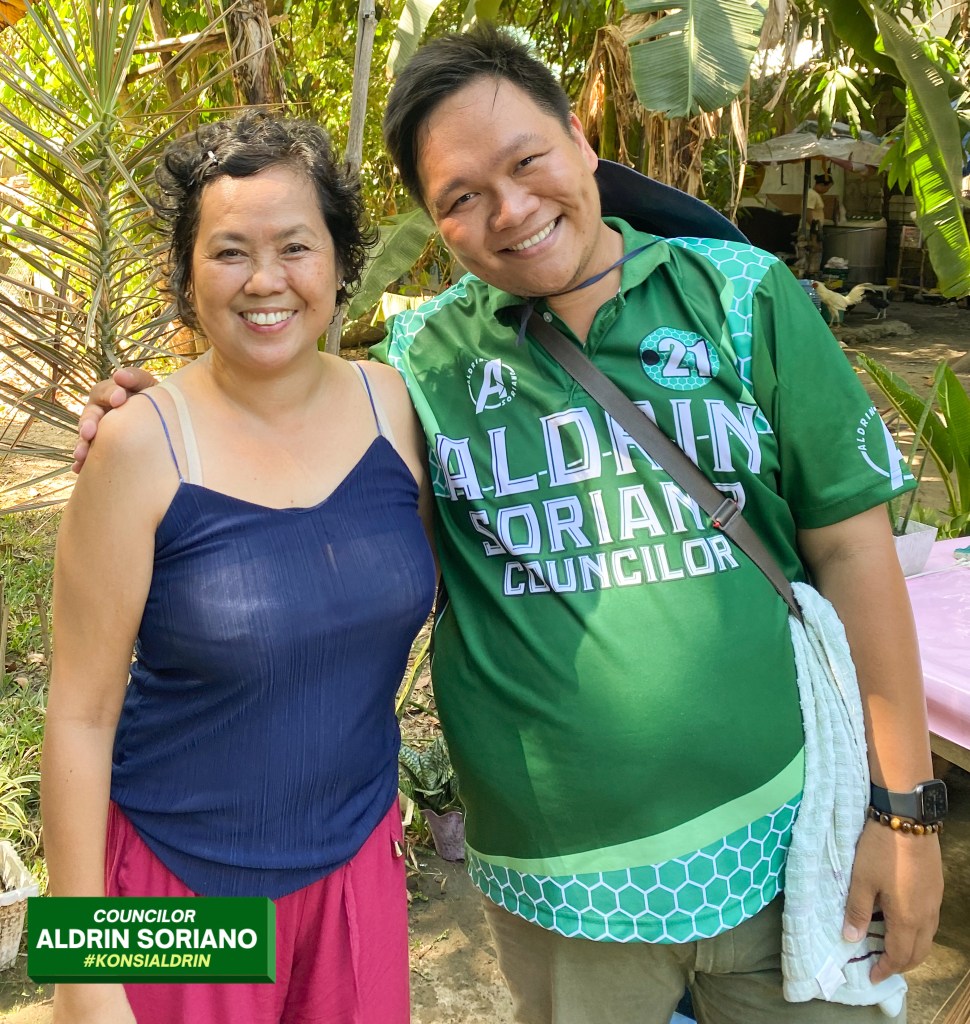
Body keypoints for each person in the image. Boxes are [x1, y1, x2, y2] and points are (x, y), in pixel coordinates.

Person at [76, 27, 944, 1024]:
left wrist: (906, 816)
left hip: (397, 882)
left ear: (581, 139)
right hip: (210, 887)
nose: (512, 210)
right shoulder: (421, 362)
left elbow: (854, 551)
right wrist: (79, 960)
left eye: (527, 162)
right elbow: (78, 719)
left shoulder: (730, 298)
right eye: (460, 196)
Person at [43, 111, 436, 1024]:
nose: (266, 281)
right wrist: (82, 972)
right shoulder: (140, 446)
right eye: (229, 252)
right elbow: (79, 714)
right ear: (188, 277)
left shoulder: (395, 406)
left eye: (295, 246)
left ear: (340, 261)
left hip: (356, 873)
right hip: (178, 894)